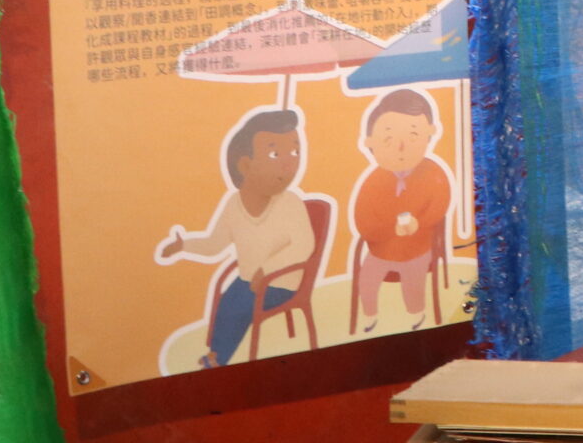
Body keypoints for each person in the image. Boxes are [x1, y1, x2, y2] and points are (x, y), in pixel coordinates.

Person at [155, 107, 324, 368]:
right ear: (245, 165)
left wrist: (267, 270)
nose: (290, 163)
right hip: (249, 279)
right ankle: (216, 354)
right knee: (227, 302)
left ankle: (219, 359)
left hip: (282, 281)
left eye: (295, 151)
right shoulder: (233, 205)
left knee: (240, 306)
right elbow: (214, 244)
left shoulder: (290, 202)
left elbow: (303, 246)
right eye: (275, 154)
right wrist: (183, 245)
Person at [349, 88, 456, 333]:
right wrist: (388, 230)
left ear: (429, 134)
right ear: (370, 143)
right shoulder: (374, 181)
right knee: (367, 278)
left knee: (412, 278)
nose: (400, 147)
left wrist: (420, 223)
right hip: (381, 249)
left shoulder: (433, 173)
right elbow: (363, 220)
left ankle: (416, 315)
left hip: (418, 245)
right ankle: (370, 315)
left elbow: (440, 203)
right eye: (388, 139)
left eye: (413, 135)